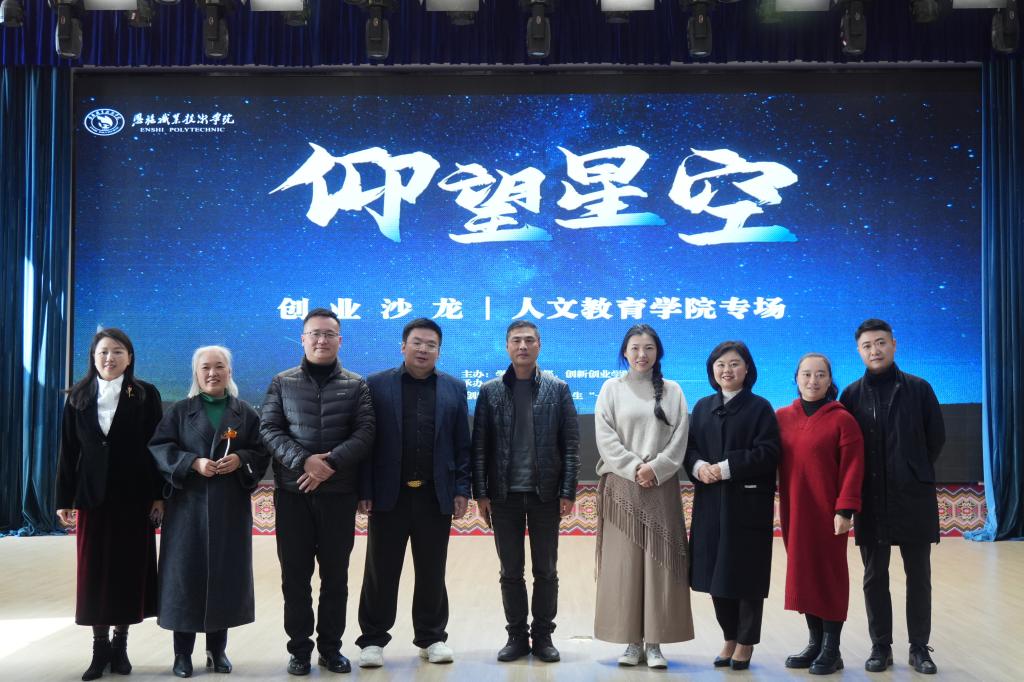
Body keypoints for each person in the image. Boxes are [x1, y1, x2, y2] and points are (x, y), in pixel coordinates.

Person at [260, 308, 375, 676]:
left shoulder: (356, 385)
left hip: (339, 495)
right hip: (292, 495)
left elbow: (366, 432)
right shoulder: (282, 382)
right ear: (303, 339)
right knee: (295, 578)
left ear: (340, 340)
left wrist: (330, 465)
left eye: (329, 334)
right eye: (315, 333)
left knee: (335, 578)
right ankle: (299, 650)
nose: (321, 340)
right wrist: (305, 462)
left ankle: (330, 648)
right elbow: (269, 429)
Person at [355, 318, 472, 668]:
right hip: (388, 496)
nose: (423, 349)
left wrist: (461, 489)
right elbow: (366, 442)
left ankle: (432, 637)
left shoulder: (454, 388)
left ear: (439, 350)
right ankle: (373, 640)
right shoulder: (376, 385)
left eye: (431, 345)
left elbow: (461, 445)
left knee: (432, 570)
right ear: (403, 346)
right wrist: (365, 489)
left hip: (435, 496)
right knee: (380, 571)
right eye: (417, 343)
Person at [149, 346, 270, 678]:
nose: (213, 373)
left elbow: (261, 452)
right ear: (196, 373)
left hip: (229, 508)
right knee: (184, 578)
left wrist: (241, 459)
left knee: (223, 577)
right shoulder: (179, 412)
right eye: (205, 367)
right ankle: (182, 654)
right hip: (186, 509)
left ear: (229, 372)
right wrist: (192, 463)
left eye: (219, 366)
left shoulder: (246, 414)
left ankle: (217, 651)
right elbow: (159, 448)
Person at [55, 328, 164, 681]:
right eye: (103, 351)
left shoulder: (145, 394)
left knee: (127, 571)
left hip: (134, 498)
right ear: (93, 356)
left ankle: (121, 645)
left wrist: (159, 495)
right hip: (91, 498)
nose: (110, 357)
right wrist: (64, 499)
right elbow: (68, 451)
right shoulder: (78, 395)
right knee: (94, 573)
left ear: (129, 358)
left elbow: (158, 447)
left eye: (118, 351)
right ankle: (99, 647)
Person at [840, 319, 945, 675]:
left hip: (912, 496)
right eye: (867, 345)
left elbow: (935, 438)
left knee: (919, 575)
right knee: (874, 576)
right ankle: (880, 646)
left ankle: (919, 648)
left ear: (894, 344)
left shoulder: (919, 388)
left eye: (881, 342)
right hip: (870, 498)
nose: (875, 350)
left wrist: (911, 469)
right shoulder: (851, 395)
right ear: (859, 351)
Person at [472, 320, 580, 663]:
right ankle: (516, 636)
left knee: (546, 570)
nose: (523, 346)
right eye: (516, 340)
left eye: (529, 340)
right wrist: (481, 493)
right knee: (510, 571)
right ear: (507, 346)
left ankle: (543, 636)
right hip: (503, 496)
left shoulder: (558, 389)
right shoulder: (490, 391)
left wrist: (567, 491)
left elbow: (571, 446)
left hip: (545, 495)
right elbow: (479, 447)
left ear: (539, 345)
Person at [593, 324, 694, 669]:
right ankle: (631, 643)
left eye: (648, 348)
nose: (641, 354)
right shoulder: (611, 388)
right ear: (624, 352)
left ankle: (655, 644)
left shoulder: (673, 390)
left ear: (658, 352)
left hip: (660, 486)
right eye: (635, 347)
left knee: (660, 566)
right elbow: (605, 436)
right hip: (622, 486)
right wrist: (635, 467)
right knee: (624, 567)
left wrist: (657, 467)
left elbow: (680, 438)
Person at [683, 340, 779, 672]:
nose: (727, 370)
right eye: (721, 364)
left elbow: (768, 453)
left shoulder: (760, 408)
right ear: (712, 370)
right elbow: (689, 448)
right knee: (715, 572)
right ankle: (729, 636)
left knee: (745, 574)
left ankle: (746, 641)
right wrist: (698, 467)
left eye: (735, 364)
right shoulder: (702, 406)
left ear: (747, 368)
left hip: (747, 503)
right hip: (711, 501)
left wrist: (725, 468)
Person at [777, 353, 864, 675]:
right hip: (794, 509)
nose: (812, 380)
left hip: (828, 512)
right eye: (806, 374)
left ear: (830, 380)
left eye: (820, 374)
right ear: (796, 378)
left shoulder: (843, 420)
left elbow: (853, 467)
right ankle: (815, 643)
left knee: (829, 575)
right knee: (803, 574)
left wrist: (845, 509)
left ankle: (832, 649)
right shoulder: (781, 417)